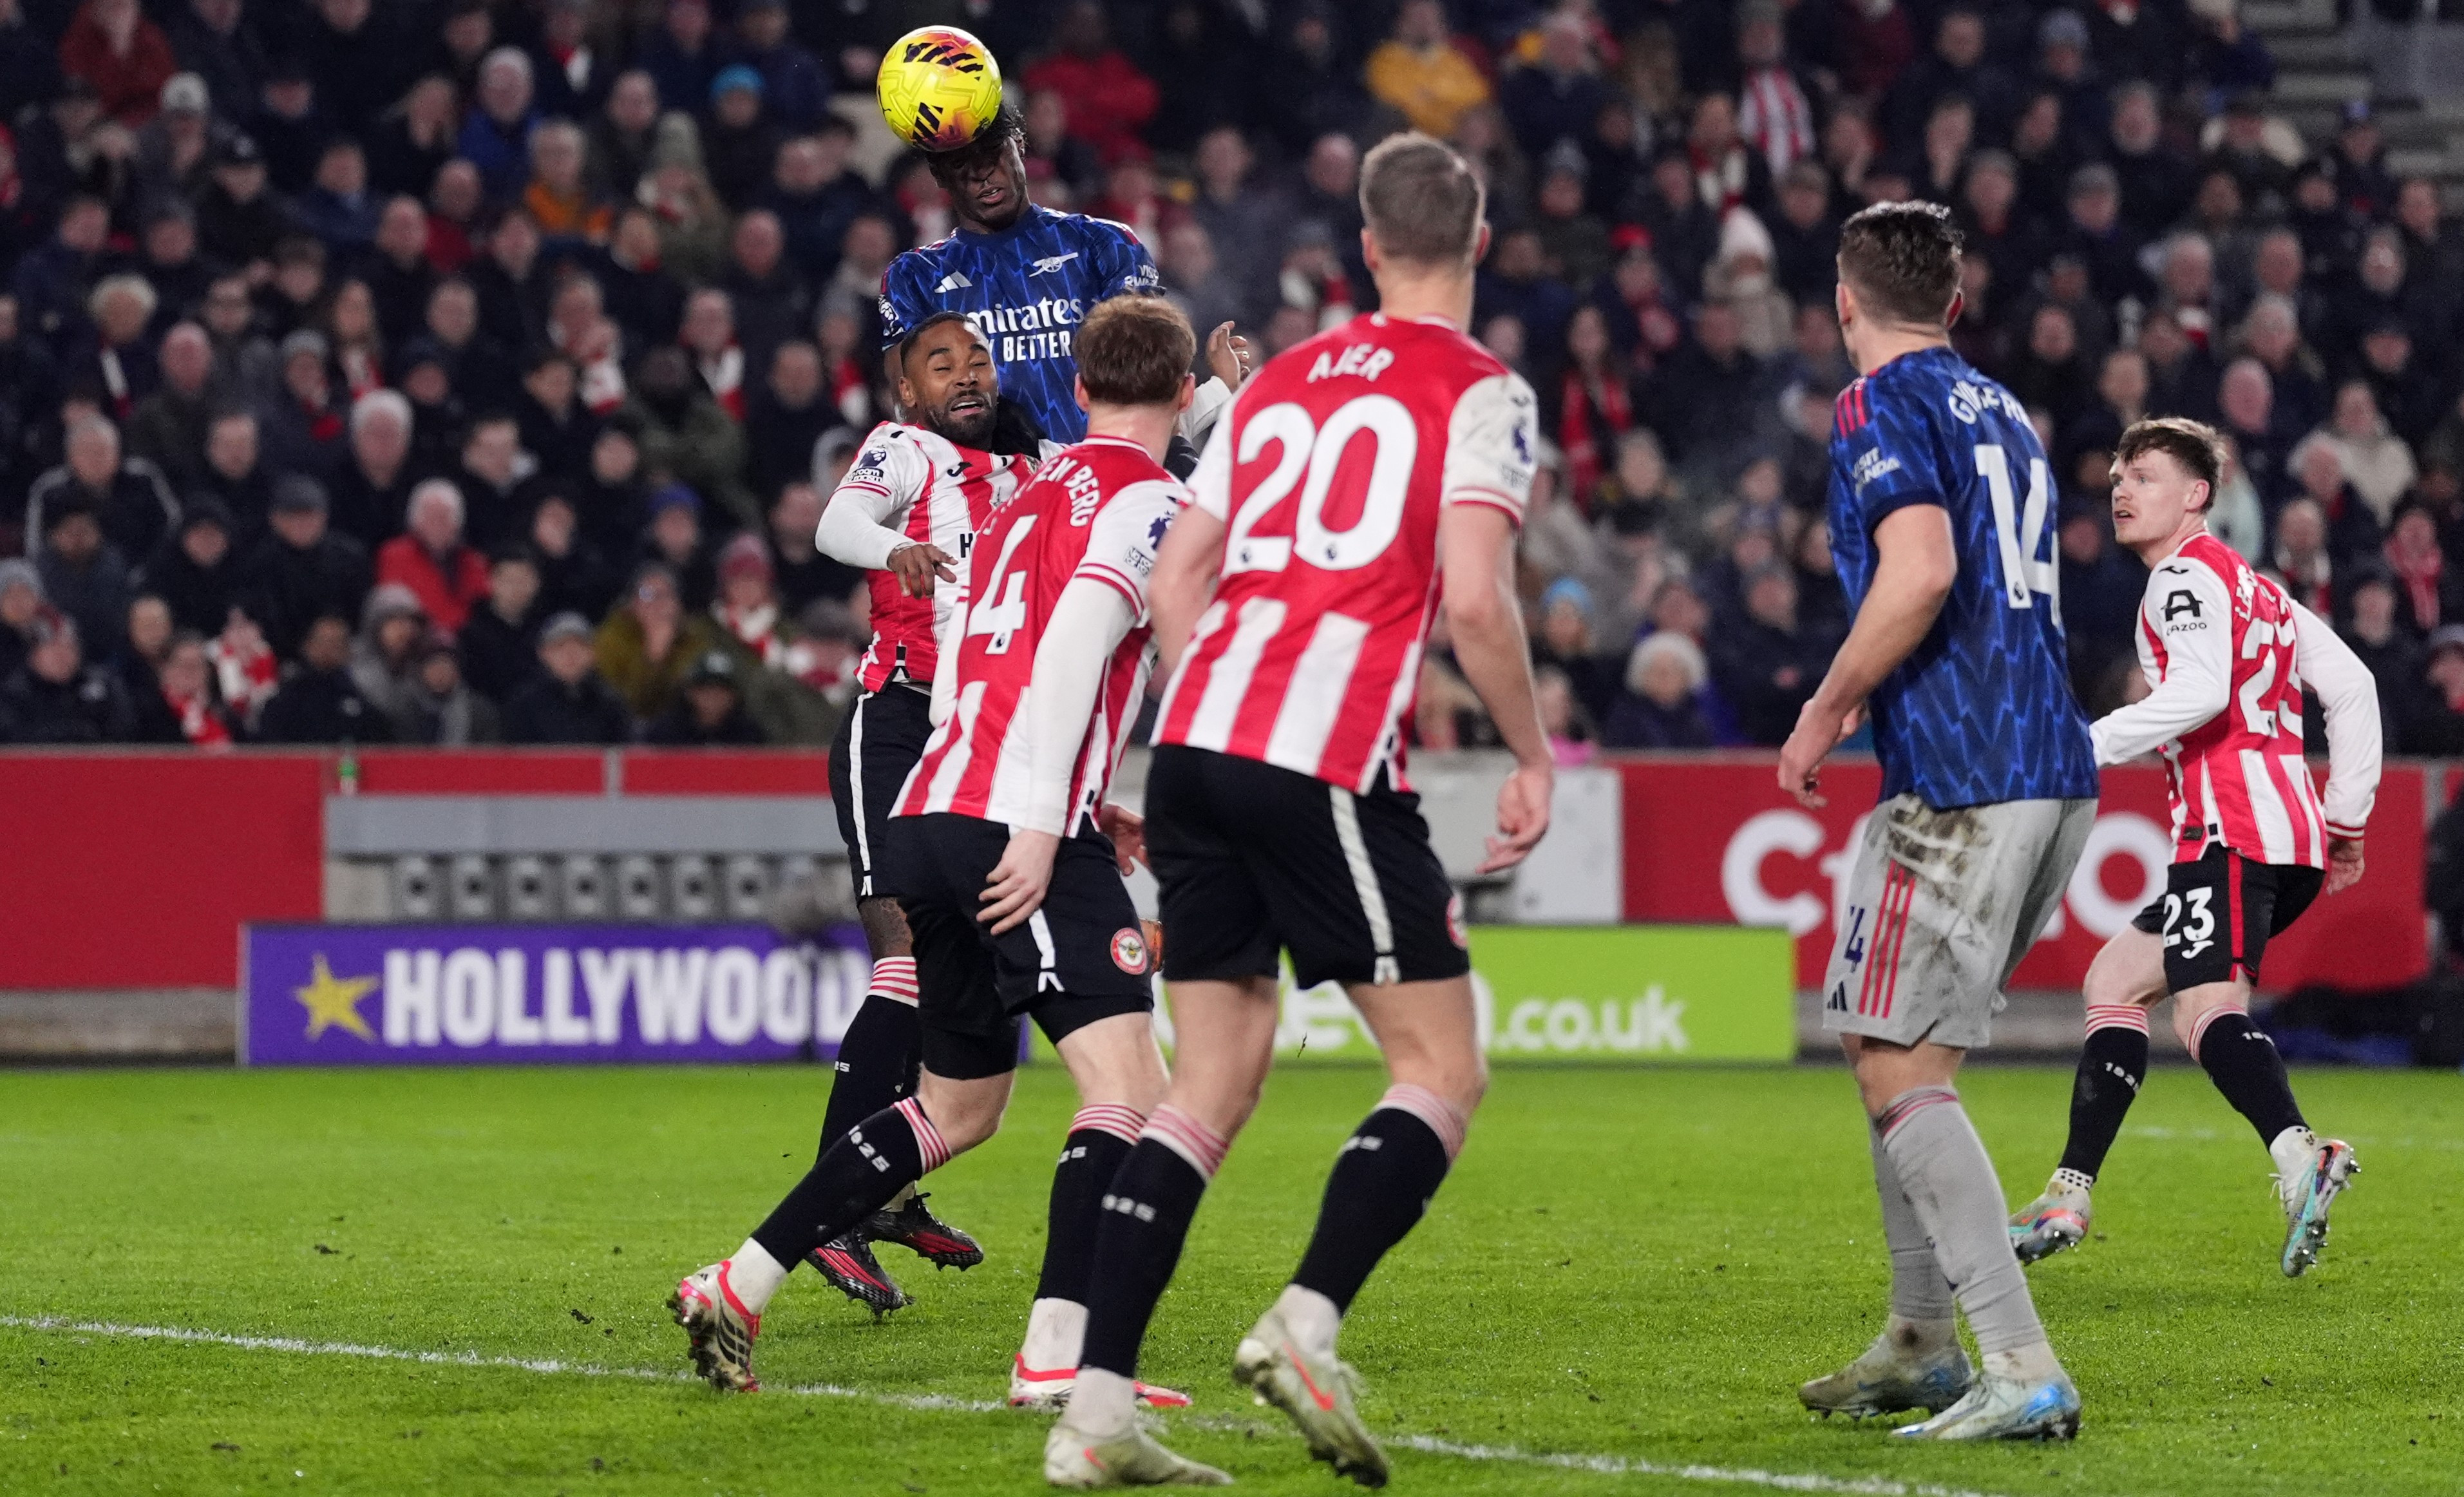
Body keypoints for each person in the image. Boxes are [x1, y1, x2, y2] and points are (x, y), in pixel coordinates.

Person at [1048, 133, 1549, 1487]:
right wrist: (1530, 752)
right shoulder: (1484, 391)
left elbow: (1177, 571)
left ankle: (1093, 1419)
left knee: (1208, 1082)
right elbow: (1477, 596)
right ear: (1481, 242)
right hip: (1312, 747)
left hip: (1193, 739)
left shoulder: (1272, 384)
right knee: (1440, 1069)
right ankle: (1303, 1319)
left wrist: (1206, 702)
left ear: (1367, 249)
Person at [670, 297, 1202, 1419]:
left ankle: (737, 1279)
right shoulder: (1140, 497)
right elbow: (1063, 654)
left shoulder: (1020, 495)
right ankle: (1056, 1354)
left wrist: (1041, 794)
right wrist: (1051, 815)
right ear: (1182, 394)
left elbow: (972, 654)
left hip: (937, 795)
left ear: (1076, 386)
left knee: (960, 1108)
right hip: (1014, 813)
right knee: (1129, 1088)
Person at [1778, 201, 2098, 1441]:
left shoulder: (1876, 404)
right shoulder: (2003, 407)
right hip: (2047, 765)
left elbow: (1919, 570)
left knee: (1897, 1060)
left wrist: (1823, 708)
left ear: (1844, 302)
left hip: (1962, 775)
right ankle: (1919, 1337)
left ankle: (2018, 1358)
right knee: (1887, 1041)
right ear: (1954, 305)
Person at [2008, 419, 2377, 1278]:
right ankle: (2068, 1191)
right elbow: (2351, 687)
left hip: (2231, 829)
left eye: (2141, 476)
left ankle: (2301, 1159)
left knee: (2206, 1010)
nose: (2121, 492)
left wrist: (2083, 743)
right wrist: (2346, 816)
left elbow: (2199, 691)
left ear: (2196, 495)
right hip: (2282, 834)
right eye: (2114, 481)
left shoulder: (2180, 576)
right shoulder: (2258, 588)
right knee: (2113, 982)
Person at [790, 312, 1047, 1314]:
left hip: (983, 747)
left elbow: (1147, 456)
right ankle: (828, 1212)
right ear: (908, 393)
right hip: (895, 727)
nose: (965, 375)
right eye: (941, 364)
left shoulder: (1034, 468)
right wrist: (895, 545)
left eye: (977, 358)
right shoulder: (905, 450)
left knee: (961, 977)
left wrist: (1210, 398)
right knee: (902, 960)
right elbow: (832, 527)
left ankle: (885, 1191)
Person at [875, 100, 1245, 452]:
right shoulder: (915, 276)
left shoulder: (1105, 245)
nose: (982, 176)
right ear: (939, 175)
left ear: (1019, 145)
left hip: (1103, 484)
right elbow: (911, 410)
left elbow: (1147, 381)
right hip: (988, 499)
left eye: (993, 156)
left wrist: (1213, 394)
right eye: (961, 166)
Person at [501, 610, 632, 744]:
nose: (570, 654)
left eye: (579, 645)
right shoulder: (524, 705)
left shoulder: (611, 705)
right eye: (560, 646)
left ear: (593, 654)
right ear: (544, 653)